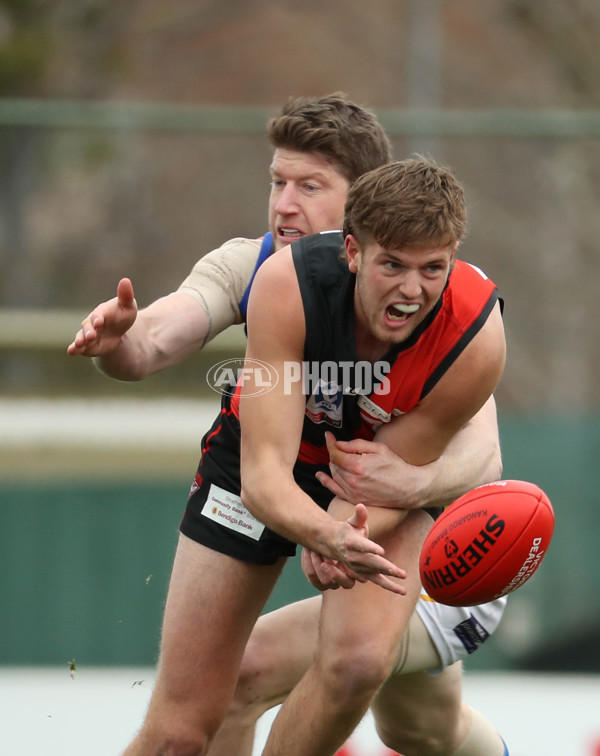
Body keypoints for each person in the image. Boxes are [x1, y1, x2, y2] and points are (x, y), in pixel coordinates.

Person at [66, 96, 505, 754]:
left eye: (309, 186)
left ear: (366, 206)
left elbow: (480, 456)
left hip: (404, 509)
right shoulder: (269, 270)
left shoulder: (459, 314)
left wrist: (386, 504)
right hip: (279, 479)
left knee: (400, 703)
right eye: (277, 183)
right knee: (185, 723)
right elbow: (159, 339)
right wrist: (120, 346)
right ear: (355, 250)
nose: (284, 206)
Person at [236, 158, 507, 755]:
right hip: (370, 535)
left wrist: (335, 534)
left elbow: (402, 478)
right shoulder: (286, 280)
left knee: (319, 666)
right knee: (422, 732)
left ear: (454, 255)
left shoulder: (475, 331)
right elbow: (198, 301)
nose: (412, 290)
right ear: (352, 251)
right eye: (393, 265)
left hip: (452, 562)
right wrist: (135, 341)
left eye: (432, 268)